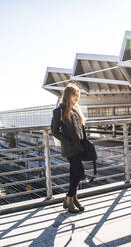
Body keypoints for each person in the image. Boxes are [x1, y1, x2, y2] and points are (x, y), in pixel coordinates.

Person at [51, 83, 86, 214]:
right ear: (68, 95)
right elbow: (55, 131)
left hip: (79, 146)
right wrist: (69, 141)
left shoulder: (75, 109)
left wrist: (84, 141)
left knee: (75, 173)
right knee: (80, 172)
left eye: (78, 95)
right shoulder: (59, 111)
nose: (77, 97)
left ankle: (72, 199)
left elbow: (80, 128)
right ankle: (69, 198)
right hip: (70, 148)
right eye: (74, 94)